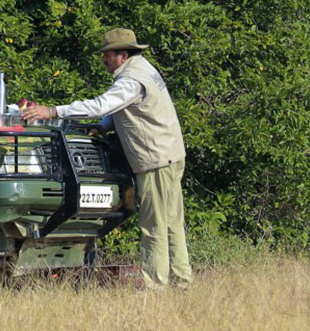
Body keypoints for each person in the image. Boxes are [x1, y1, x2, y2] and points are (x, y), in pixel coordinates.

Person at [23, 28, 192, 290]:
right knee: (172, 224)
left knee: (154, 228)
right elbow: (121, 109)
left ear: (122, 55)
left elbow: (102, 104)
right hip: (170, 155)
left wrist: (52, 111)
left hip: (155, 161)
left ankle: (154, 289)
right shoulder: (144, 69)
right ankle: (182, 284)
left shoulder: (130, 80)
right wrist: (103, 127)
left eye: (107, 55)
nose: (104, 60)